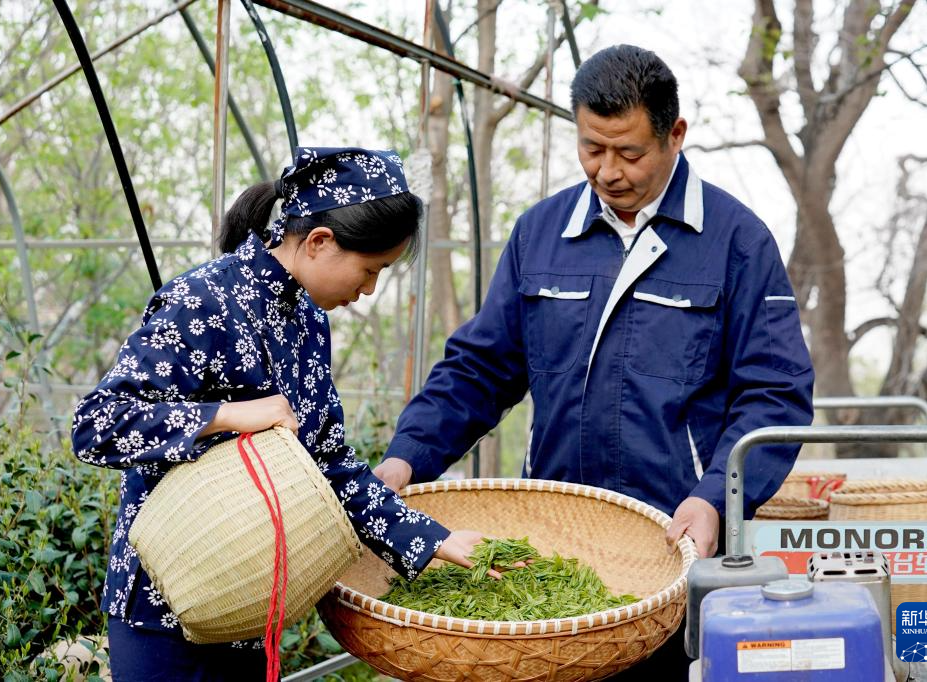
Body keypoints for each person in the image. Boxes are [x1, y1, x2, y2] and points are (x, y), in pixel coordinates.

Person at [373, 46, 815, 677]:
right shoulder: (543, 232)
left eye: (629, 152)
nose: (607, 171)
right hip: (555, 542)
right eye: (591, 149)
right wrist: (405, 459)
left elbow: (775, 393)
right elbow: (479, 369)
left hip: (674, 545)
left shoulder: (736, 241)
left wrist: (715, 498)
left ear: (675, 136)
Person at [71, 147, 510, 681]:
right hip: (164, 603)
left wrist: (435, 539)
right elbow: (96, 425)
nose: (369, 288)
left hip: (248, 594)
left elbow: (326, 462)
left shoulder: (307, 319)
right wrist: (228, 416)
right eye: (370, 269)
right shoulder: (202, 301)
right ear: (320, 242)